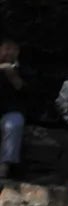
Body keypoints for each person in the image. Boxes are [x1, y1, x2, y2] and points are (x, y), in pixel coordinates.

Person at [0, 38, 32, 181]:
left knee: (14, 124)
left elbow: (28, 92)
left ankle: (4, 168)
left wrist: (12, 75)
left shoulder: (24, 70)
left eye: (14, 49)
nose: (10, 52)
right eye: (7, 48)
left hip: (12, 111)